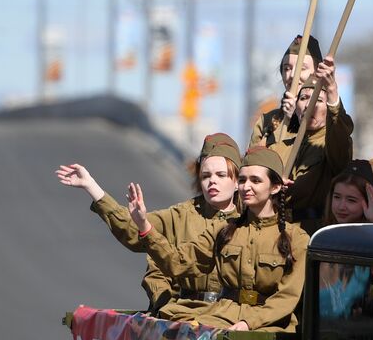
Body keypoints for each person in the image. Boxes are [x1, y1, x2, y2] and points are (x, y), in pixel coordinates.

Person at [127, 146, 309, 332]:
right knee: (175, 322)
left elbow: (287, 297)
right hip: (224, 316)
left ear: (276, 187)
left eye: (255, 180)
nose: (246, 187)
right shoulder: (225, 230)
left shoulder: (296, 239)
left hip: (271, 325)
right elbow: (178, 262)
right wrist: (144, 226)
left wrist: (249, 323)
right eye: (242, 180)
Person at [58, 133, 241, 316]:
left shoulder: (247, 221)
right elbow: (133, 229)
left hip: (229, 317)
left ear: (237, 182)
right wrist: (92, 187)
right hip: (184, 315)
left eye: (221, 175)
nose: (212, 181)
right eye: (206, 176)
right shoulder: (181, 215)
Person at [249, 36, 354, 233]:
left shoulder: (330, 124)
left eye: (301, 68)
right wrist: (283, 122)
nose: (292, 75)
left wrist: (330, 90)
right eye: (287, 69)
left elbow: (340, 140)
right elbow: (253, 168)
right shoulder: (268, 122)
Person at [317, 160, 373, 319]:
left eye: (351, 200)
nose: (341, 206)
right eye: (337, 197)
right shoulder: (322, 238)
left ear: (369, 202)